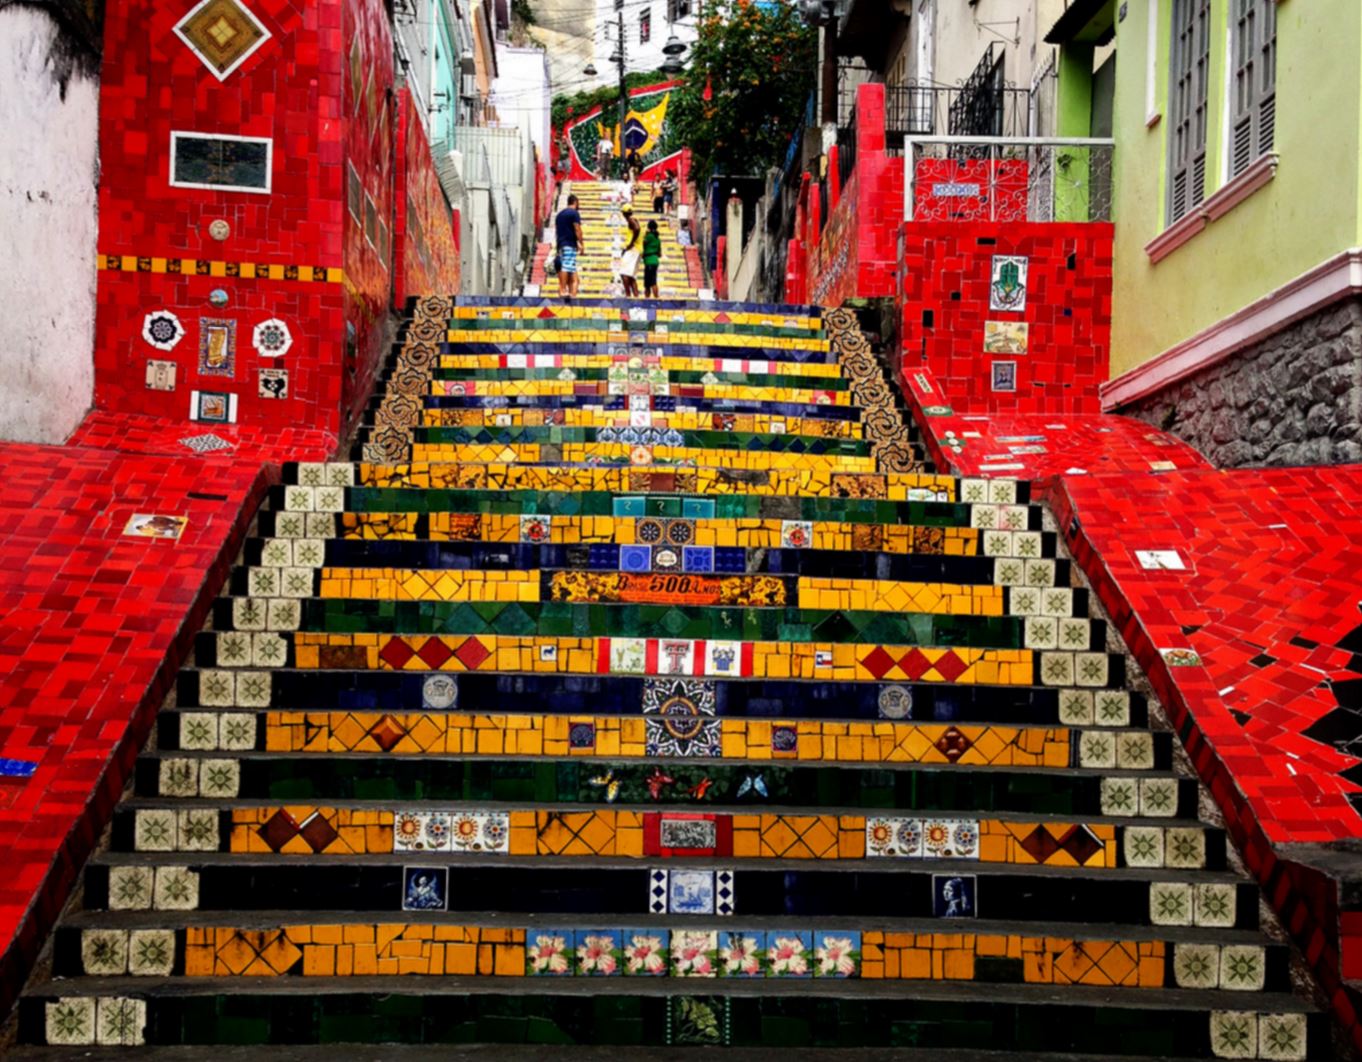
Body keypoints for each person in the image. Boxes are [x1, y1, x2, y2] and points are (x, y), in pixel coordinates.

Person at [554, 194, 583, 298]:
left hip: (561, 244)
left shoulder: (559, 215)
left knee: (575, 278)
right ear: (575, 202)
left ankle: (572, 296)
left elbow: (558, 231)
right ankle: (563, 290)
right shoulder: (574, 213)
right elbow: (577, 229)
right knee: (566, 266)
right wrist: (581, 243)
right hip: (569, 244)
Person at [619, 205, 641, 297]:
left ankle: (628, 295)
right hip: (635, 249)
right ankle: (636, 296)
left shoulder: (631, 220)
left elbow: (637, 228)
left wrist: (631, 243)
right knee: (631, 276)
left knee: (623, 273)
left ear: (623, 213)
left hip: (633, 249)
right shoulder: (633, 219)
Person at [642, 219, 662, 299]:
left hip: (649, 261)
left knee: (650, 283)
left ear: (648, 227)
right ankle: (655, 298)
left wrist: (645, 235)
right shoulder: (658, 239)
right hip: (655, 261)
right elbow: (659, 254)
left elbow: (642, 243)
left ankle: (654, 298)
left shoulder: (649, 236)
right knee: (652, 281)